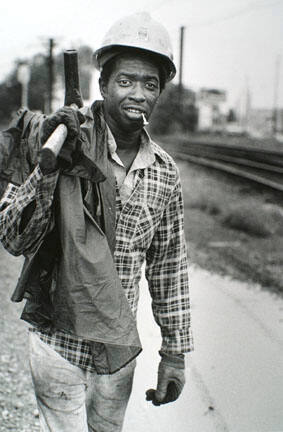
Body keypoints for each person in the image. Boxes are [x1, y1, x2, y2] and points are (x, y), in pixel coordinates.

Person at [0, 11, 193, 432]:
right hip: (57, 339)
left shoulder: (164, 172)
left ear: (160, 94)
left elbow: (169, 267)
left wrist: (174, 353)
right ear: (102, 85)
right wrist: (49, 172)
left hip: (116, 347)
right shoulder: (59, 139)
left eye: (150, 84)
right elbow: (12, 236)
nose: (138, 94)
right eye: (125, 81)